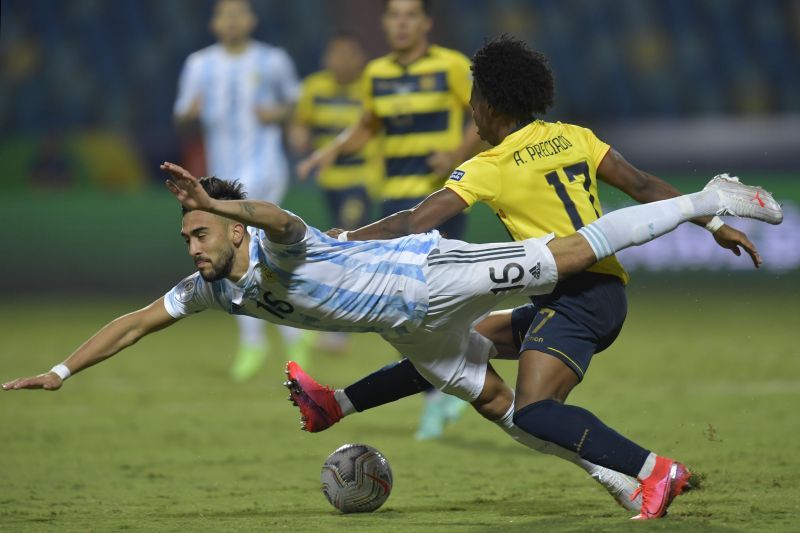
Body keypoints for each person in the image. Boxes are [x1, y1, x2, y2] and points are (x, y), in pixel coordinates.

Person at [3, 162, 781, 520]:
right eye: (187, 235)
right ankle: (629, 479)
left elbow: (275, 217)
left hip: (430, 277)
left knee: (568, 253)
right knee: (503, 406)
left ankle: (703, 197)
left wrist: (227, 203)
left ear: (228, 225)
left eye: (200, 228)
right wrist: (63, 367)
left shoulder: (276, 246)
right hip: (407, 328)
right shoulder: (213, 287)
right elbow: (136, 320)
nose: (192, 244)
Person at [285, 35, 777, 519]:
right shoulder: (574, 136)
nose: (471, 110)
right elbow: (645, 186)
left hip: (578, 300)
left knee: (536, 411)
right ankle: (336, 405)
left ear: (493, 104)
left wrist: (342, 241)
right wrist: (712, 223)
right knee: (455, 345)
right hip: (594, 292)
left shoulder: (490, 166)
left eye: (474, 99)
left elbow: (415, 222)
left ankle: (654, 471)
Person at [298, 0, 486, 439]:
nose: (401, 24)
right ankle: (444, 389)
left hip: (442, 199)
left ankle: (448, 388)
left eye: (409, 16)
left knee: (427, 301)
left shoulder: (452, 67)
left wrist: (456, 154)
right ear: (385, 24)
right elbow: (367, 124)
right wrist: (331, 149)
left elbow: (482, 118)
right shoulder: (377, 74)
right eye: (393, 16)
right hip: (392, 206)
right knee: (406, 307)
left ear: (425, 23)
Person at [173, 0, 310, 382]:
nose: (232, 20)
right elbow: (181, 114)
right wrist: (190, 112)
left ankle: (290, 334)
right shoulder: (199, 64)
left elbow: (298, 102)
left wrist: (280, 116)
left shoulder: (273, 60)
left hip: (266, 169)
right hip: (223, 174)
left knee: (262, 249)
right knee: (234, 255)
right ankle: (258, 339)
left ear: (251, 19)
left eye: (239, 13)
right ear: (214, 22)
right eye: (224, 14)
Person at [289, 31, 380, 232]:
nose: (344, 61)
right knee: (337, 231)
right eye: (338, 54)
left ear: (362, 58)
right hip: (327, 178)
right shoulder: (314, 87)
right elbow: (300, 122)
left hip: (363, 177)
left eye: (349, 54)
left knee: (350, 227)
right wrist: (298, 135)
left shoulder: (371, 87)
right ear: (326, 58)